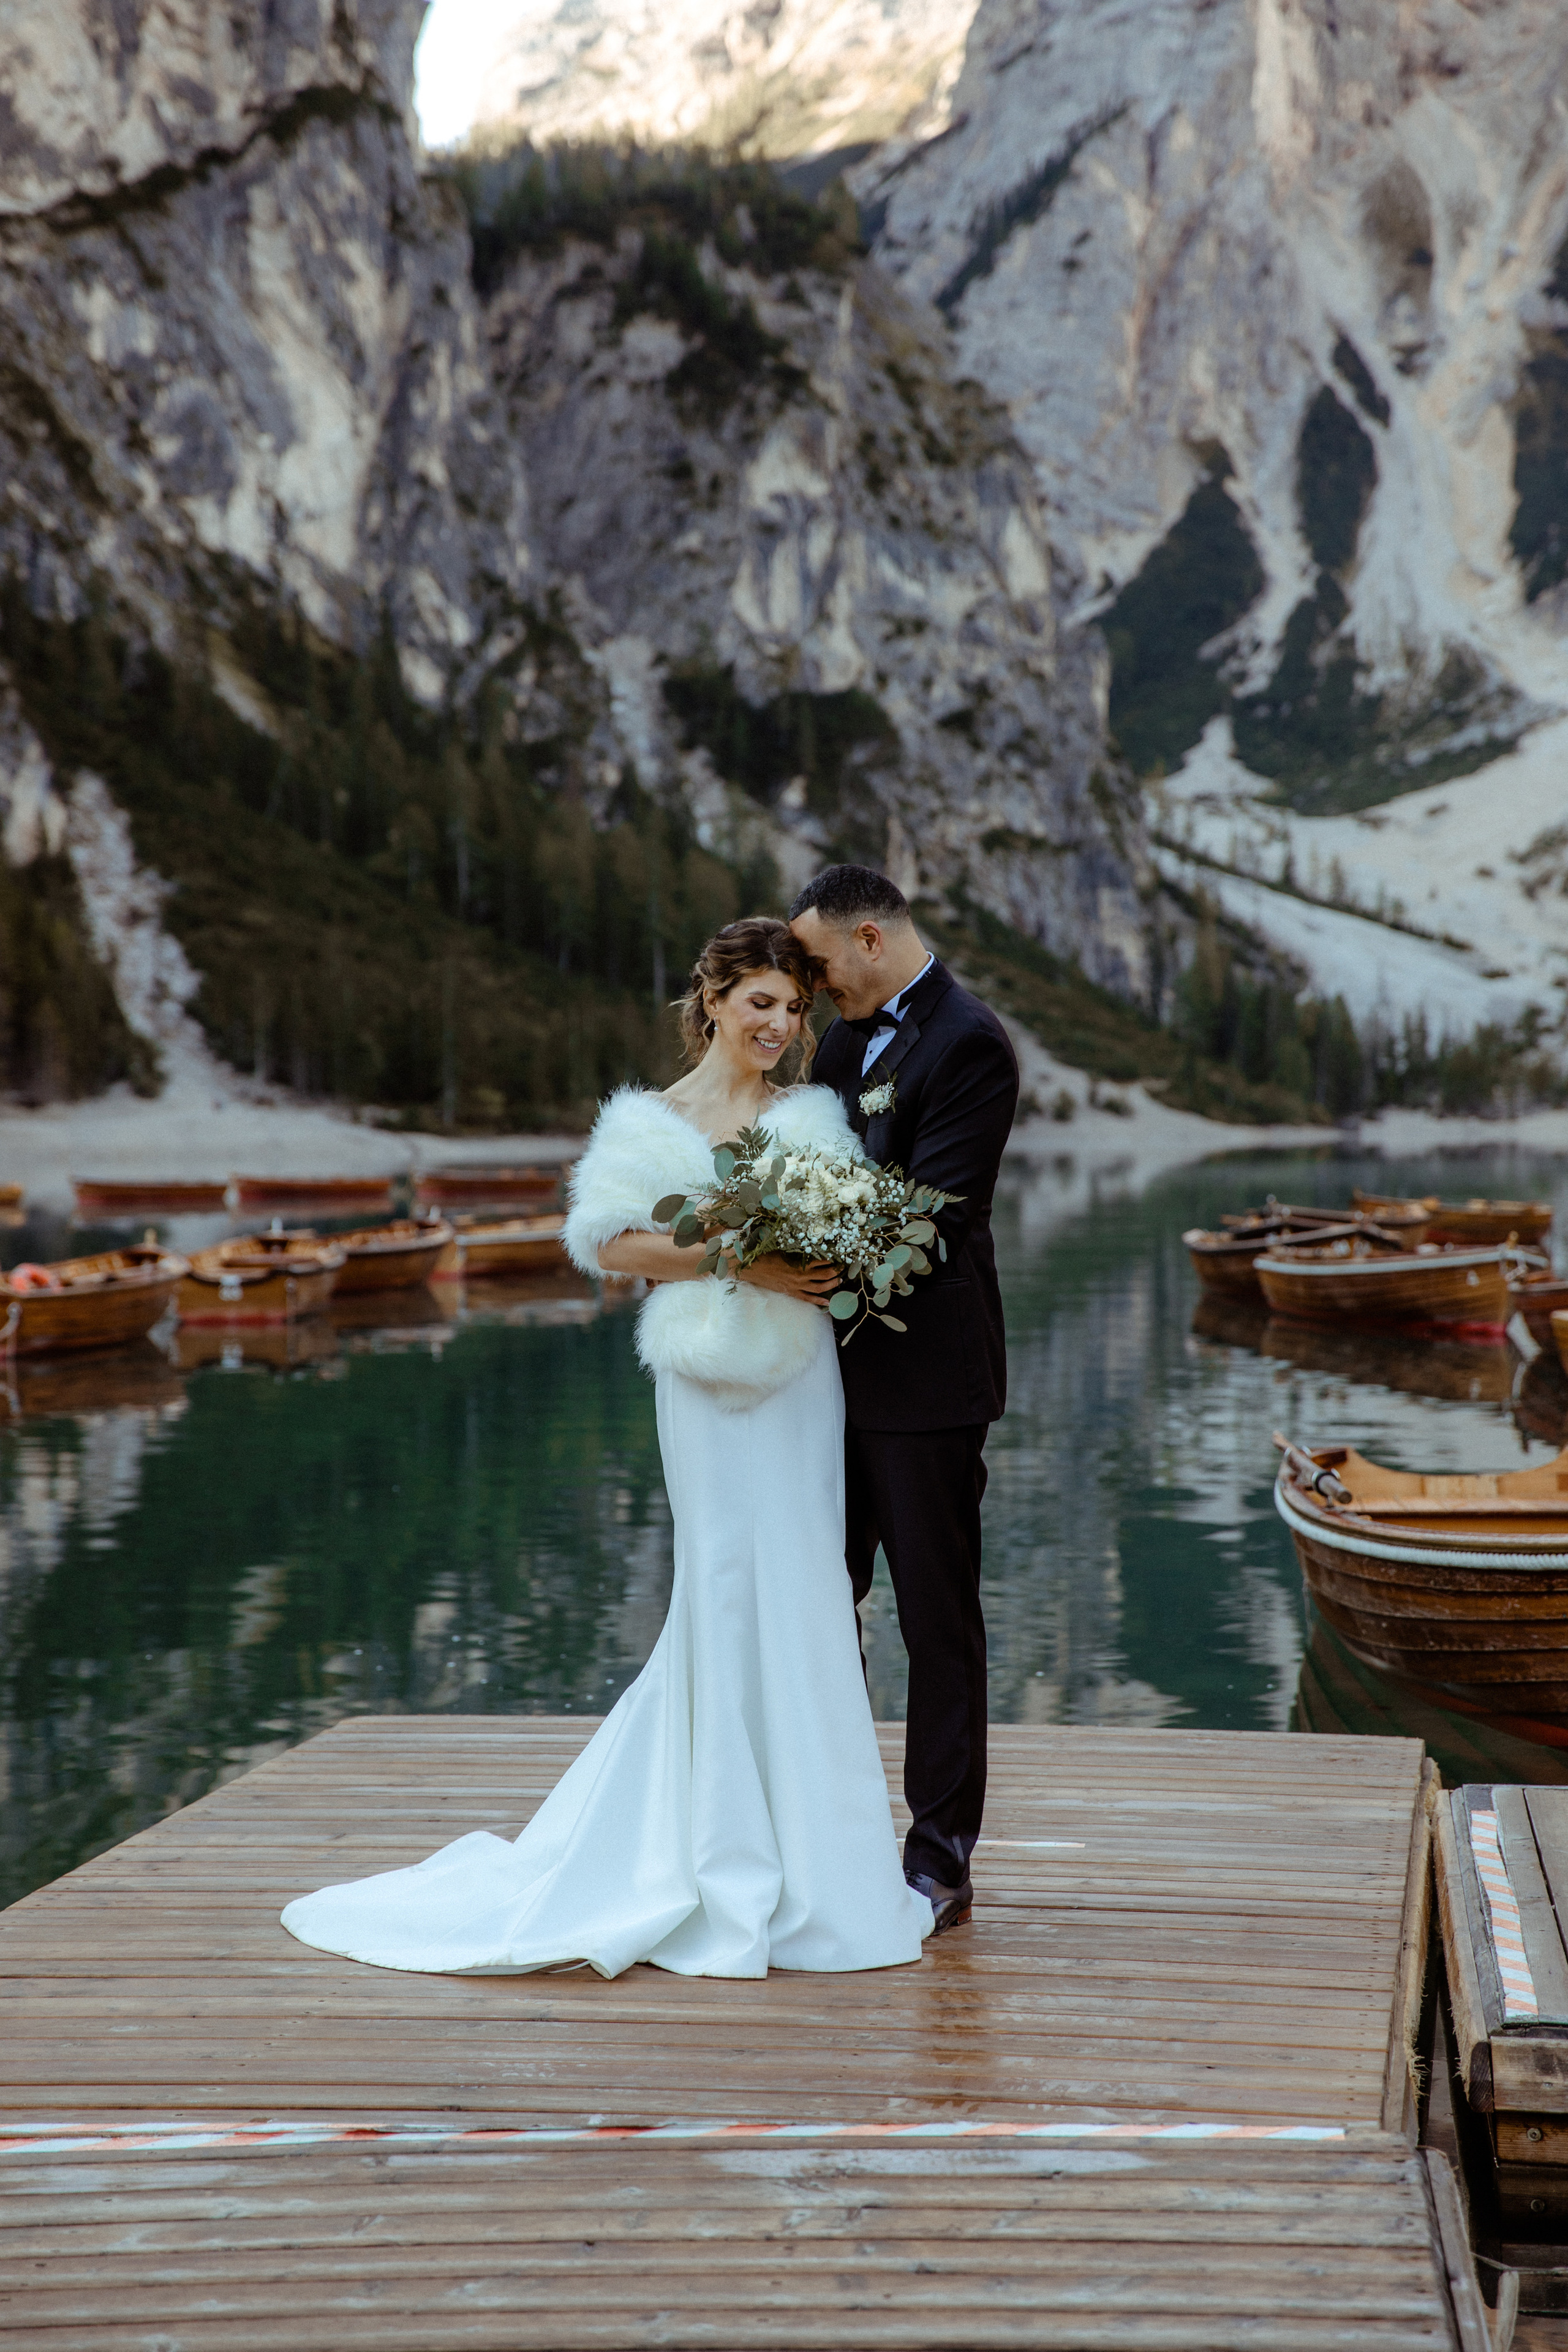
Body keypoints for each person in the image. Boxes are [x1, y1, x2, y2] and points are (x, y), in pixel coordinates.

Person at [280, 916, 933, 1979]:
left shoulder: (813, 1117)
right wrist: (741, 1255)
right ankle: (712, 1854)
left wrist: (810, 1252)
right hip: (704, 1390)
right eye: (760, 1002)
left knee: (811, 1587)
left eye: (793, 1009)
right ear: (714, 1000)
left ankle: (822, 1866)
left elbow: (846, 1231)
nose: (778, 1025)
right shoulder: (651, 1123)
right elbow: (611, 1244)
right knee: (719, 1586)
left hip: (802, 1387)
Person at [789, 867, 1019, 1933]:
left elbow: (930, 1218)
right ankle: (818, 1835)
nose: (814, 987)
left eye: (824, 965)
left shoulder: (971, 1043)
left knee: (937, 1623)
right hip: (819, 1380)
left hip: (926, 1384)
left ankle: (940, 1860)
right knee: (817, 1610)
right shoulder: (841, 1040)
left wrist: (794, 1252)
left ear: (870, 939)